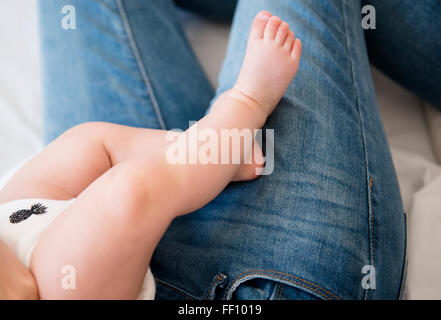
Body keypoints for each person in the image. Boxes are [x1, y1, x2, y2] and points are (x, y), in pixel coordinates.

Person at [5, 0, 440, 300]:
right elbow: (136, 193)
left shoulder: (12, 229)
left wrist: (192, 147)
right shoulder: (65, 280)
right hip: (251, 282)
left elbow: (86, 146)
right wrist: (239, 112)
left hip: (151, 213)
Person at [0, 12, 301, 299]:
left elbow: (95, 147)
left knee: (84, 147)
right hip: (53, 289)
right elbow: (133, 193)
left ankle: (209, 149)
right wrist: (243, 105)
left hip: (14, 230)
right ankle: (246, 104)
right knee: (130, 194)